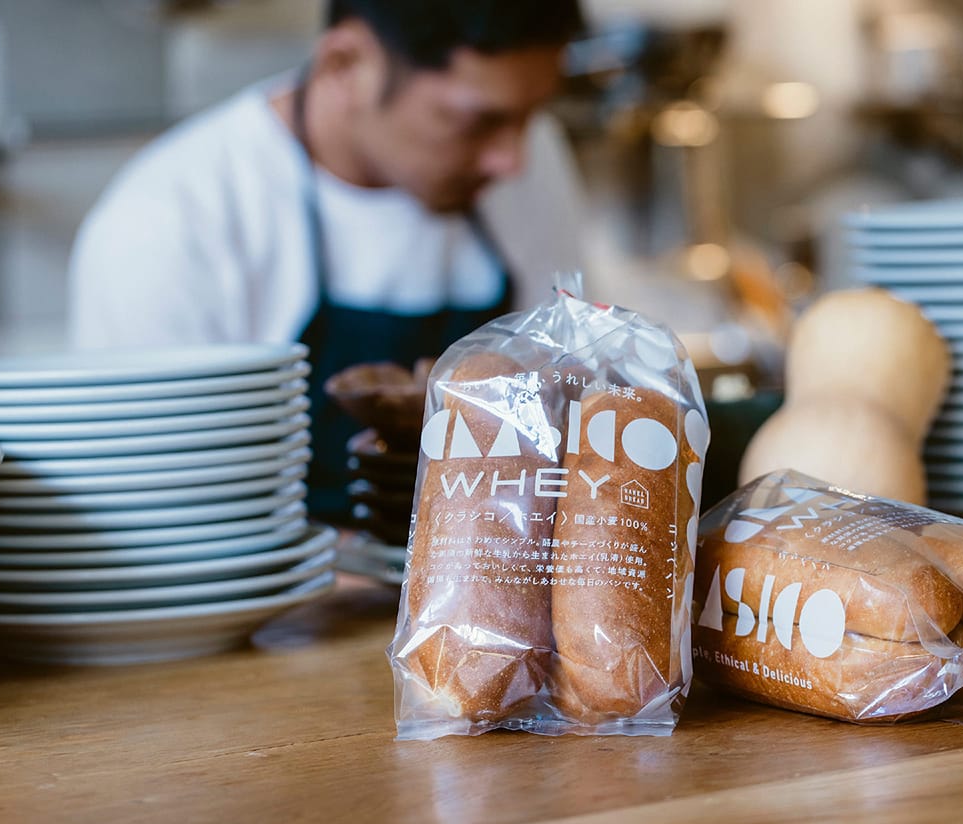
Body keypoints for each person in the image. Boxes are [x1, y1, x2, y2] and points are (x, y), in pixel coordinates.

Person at [68, 0, 587, 521]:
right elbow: (162, 509)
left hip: (488, 577)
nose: (512, 159)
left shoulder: (532, 158)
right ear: (346, 64)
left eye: (531, 114)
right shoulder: (172, 220)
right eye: (476, 121)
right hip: (281, 597)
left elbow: (570, 385)